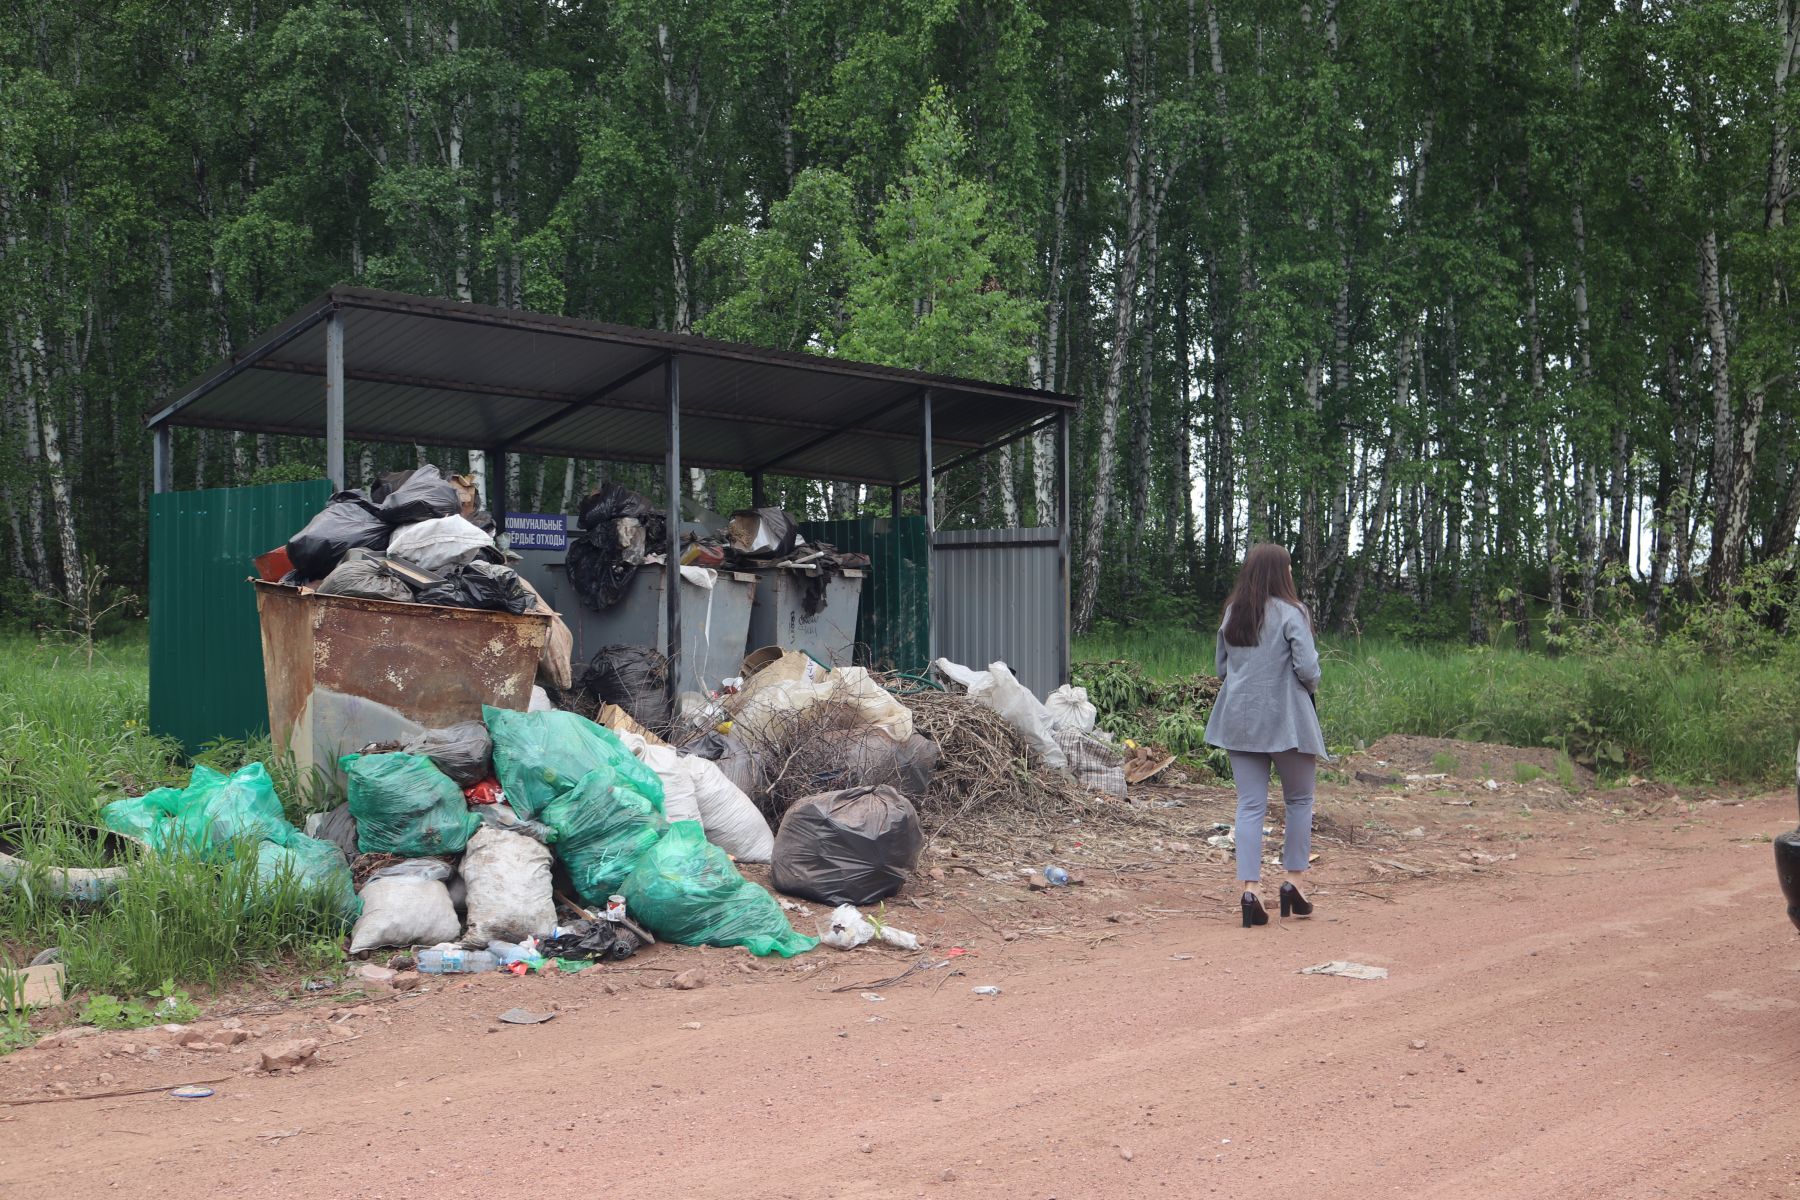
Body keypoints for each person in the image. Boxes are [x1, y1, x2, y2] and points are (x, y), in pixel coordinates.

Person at [1203, 544, 1327, 928]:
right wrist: (1309, 684)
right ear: (1281, 572)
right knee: (1300, 800)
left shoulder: (1233, 612)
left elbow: (1222, 669)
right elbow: (1308, 669)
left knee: (1250, 805)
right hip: (1287, 719)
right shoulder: (1293, 612)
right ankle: (1293, 882)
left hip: (1238, 719)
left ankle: (1250, 888)